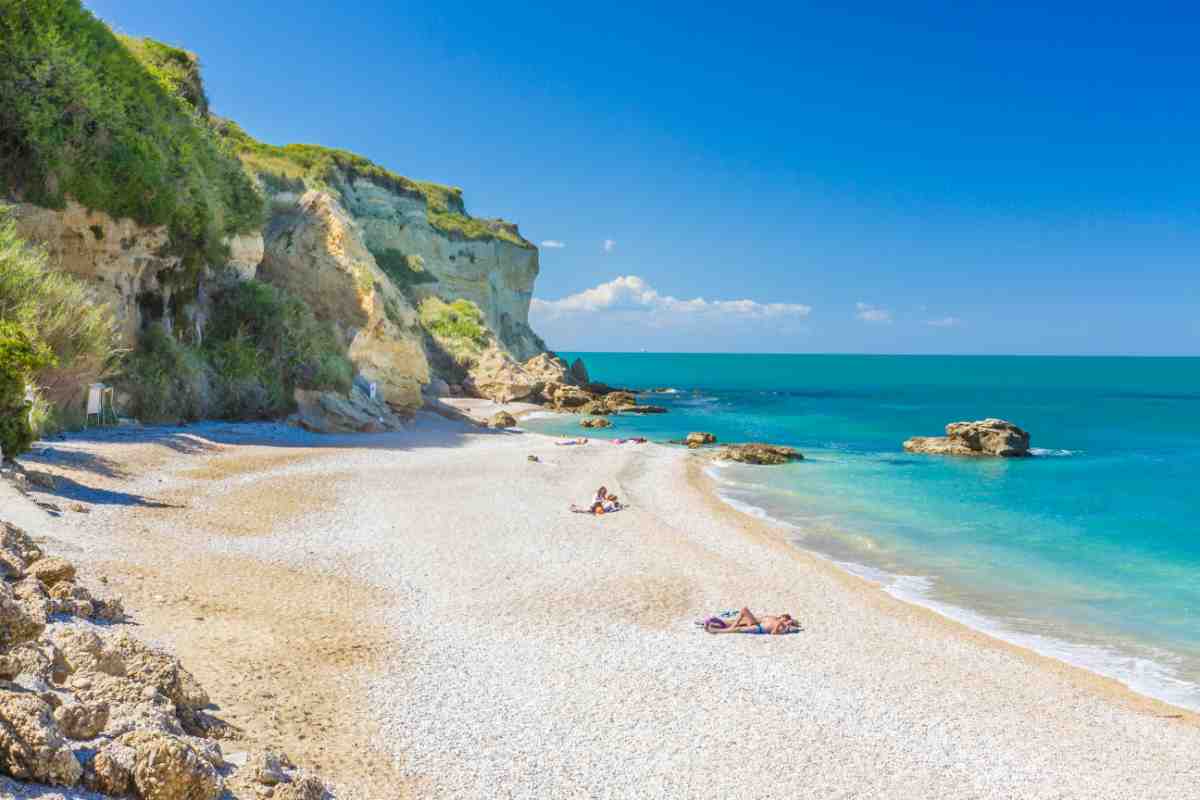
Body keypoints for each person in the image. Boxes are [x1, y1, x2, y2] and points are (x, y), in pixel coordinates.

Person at [705, 607, 799, 635]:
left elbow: (773, 633)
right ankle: (710, 623)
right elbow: (762, 619)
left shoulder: (782, 627)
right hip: (756, 622)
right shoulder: (773, 618)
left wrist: (781, 624)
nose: (783, 619)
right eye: (783, 617)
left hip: (759, 628)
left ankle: (715, 630)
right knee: (743, 611)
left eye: (785, 619)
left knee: (738, 629)